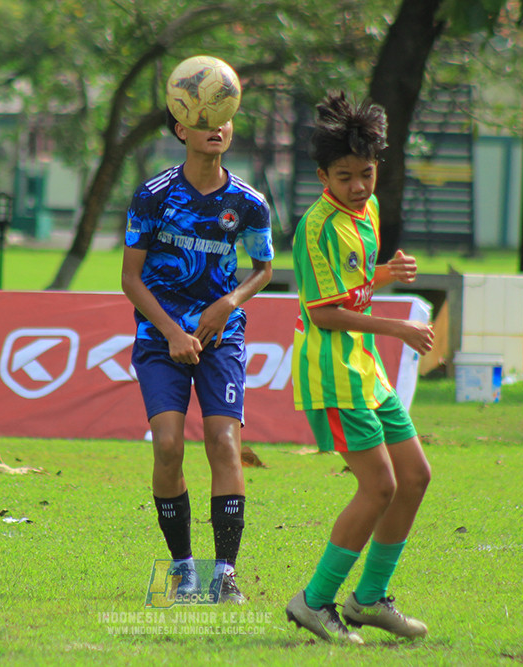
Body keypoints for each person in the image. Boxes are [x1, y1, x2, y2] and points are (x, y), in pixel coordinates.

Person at [283, 92, 435, 644]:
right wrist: (398, 327)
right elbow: (324, 312)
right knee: (379, 488)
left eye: (366, 174)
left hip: (365, 367)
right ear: (323, 174)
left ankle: (370, 600)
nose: (357, 187)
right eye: (344, 176)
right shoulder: (320, 225)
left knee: (415, 477)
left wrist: (385, 274)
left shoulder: (364, 211)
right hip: (334, 372)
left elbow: (351, 279)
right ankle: (314, 601)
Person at [121, 99, 274, 605]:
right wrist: (170, 331)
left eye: (224, 118)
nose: (217, 128)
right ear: (180, 130)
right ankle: (184, 569)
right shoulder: (153, 195)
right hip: (161, 336)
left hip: (220, 336)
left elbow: (263, 269)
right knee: (167, 445)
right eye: (204, 121)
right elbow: (130, 278)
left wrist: (226, 304)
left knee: (223, 443)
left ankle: (225, 574)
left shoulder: (249, 202)